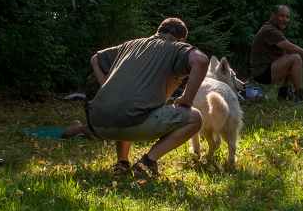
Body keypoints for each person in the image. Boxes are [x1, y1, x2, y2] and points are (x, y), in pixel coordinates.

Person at [86, 17, 210, 177]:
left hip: (97, 123)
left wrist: (105, 84)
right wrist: (186, 99)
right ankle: (147, 163)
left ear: (158, 31)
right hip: (133, 122)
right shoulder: (176, 47)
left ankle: (122, 162)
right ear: (181, 39)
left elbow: (95, 59)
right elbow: (201, 60)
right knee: (195, 118)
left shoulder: (130, 45)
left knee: (130, 100)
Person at [249, 5, 303, 101]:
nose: (285, 20)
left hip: (265, 71)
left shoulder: (274, 29)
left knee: (289, 58)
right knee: (295, 58)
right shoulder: (269, 30)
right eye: (281, 16)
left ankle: (284, 93)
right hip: (261, 74)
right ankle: (300, 95)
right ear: (273, 16)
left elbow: (287, 51)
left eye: (287, 17)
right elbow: (291, 47)